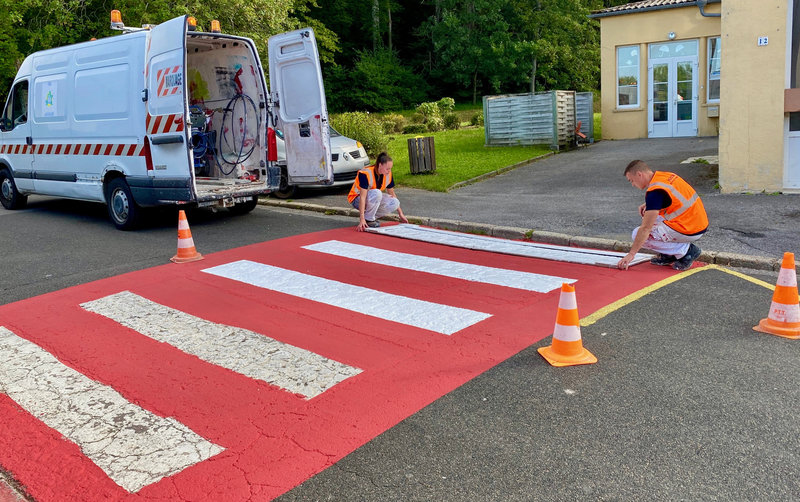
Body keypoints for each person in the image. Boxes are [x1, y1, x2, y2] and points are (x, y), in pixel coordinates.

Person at [617, 160, 708, 271]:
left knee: (638, 234)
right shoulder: (665, 176)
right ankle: (669, 254)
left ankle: (687, 251)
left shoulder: (654, 193)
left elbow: (646, 228)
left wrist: (631, 254)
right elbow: (673, 196)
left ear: (639, 174)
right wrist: (648, 205)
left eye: (631, 180)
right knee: (649, 216)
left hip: (689, 228)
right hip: (697, 222)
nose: (632, 184)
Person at [348, 152, 408, 231]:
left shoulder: (388, 175)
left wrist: (401, 214)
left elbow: (392, 193)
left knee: (395, 202)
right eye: (387, 169)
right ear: (380, 165)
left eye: (390, 169)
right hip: (356, 199)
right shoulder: (365, 173)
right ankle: (368, 219)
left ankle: (369, 218)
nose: (389, 171)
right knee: (377, 193)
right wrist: (361, 218)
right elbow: (362, 197)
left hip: (372, 198)